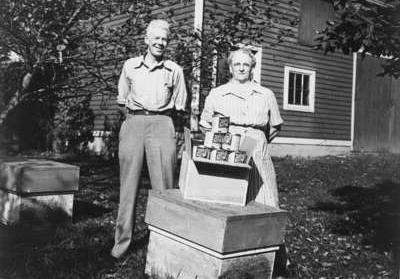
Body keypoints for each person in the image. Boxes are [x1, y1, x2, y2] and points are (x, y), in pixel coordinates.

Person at [199, 48, 289, 277]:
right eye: (236, 64)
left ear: (252, 68)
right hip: (228, 146)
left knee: (267, 201)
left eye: (245, 65)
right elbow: (205, 124)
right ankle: (226, 261)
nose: (241, 68)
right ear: (229, 68)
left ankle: (273, 261)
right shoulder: (218, 93)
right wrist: (223, 140)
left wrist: (257, 141)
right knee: (227, 201)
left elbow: (274, 127)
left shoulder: (265, 94)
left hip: (258, 147)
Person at [111, 19, 187, 259]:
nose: (160, 43)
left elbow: (180, 106)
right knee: (128, 185)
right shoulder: (130, 66)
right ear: (146, 40)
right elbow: (122, 101)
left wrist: (168, 127)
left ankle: (164, 245)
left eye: (164, 39)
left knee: (164, 187)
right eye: (156, 38)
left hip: (163, 123)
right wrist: (135, 120)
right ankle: (121, 243)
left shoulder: (175, 70)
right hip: (133, 123)